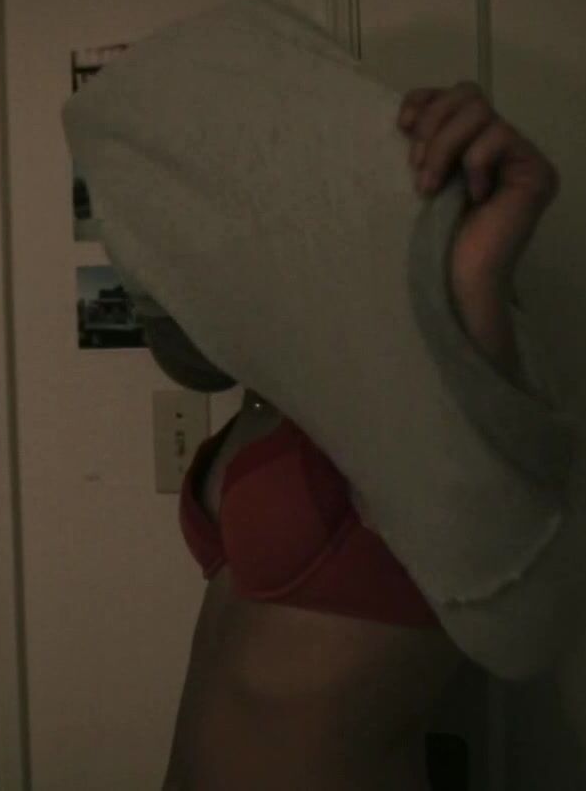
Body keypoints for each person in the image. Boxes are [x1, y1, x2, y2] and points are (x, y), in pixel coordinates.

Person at [148, 81, 559, 790]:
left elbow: (499, 450)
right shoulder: (275, 379)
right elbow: (179, 342)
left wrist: (489, 243)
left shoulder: (423, 380)